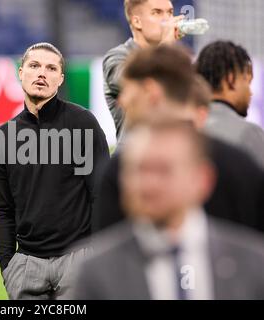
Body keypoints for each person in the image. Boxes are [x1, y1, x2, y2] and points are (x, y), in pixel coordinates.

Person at [74, 120, 264, 300]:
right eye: (138, 170)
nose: (148, 184)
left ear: (202, 179)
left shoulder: (253, 264)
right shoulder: (95, 272)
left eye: (162, 170)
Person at [92, 45, 264, 234]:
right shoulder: (240, 165)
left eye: (127, 90)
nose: (122, 101)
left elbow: (109, 254)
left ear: (151, 91)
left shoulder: (121, 170)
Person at [0, 42, 109, 300]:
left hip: (77, 259)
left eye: (51, 68)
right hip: (26, 264)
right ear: (21, 73)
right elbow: (2, 210)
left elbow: (102, 195)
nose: (42, 73)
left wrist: (95, 256)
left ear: (60, 79)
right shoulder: (2, 137)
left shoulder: (83, 124)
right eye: (34, 66)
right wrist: (8, 266)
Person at [103, 0, 184, 146]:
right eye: (157, 12)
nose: (168, 20)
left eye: (170, 12)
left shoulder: (178, 59)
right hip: (133, 156)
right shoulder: (117, 57)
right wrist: (165, 47)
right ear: (137, 22)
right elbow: (136, 84)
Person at [196, 41, 264, 169]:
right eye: (247, 81)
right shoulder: (248, 133)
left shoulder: (184, 130)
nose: (250, 92)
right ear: (231, 80)